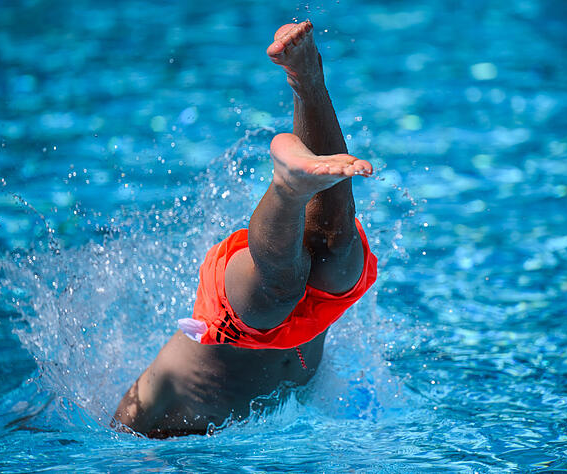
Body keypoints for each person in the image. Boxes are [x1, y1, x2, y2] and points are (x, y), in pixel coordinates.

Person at [113, 20, 377, 438]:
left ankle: (288, 188)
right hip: (305, 321)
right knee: (337, 245)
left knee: (278, 292)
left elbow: (118, 432)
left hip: (230, 313)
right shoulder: (159, 402)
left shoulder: (144, 418)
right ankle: (307, 81)